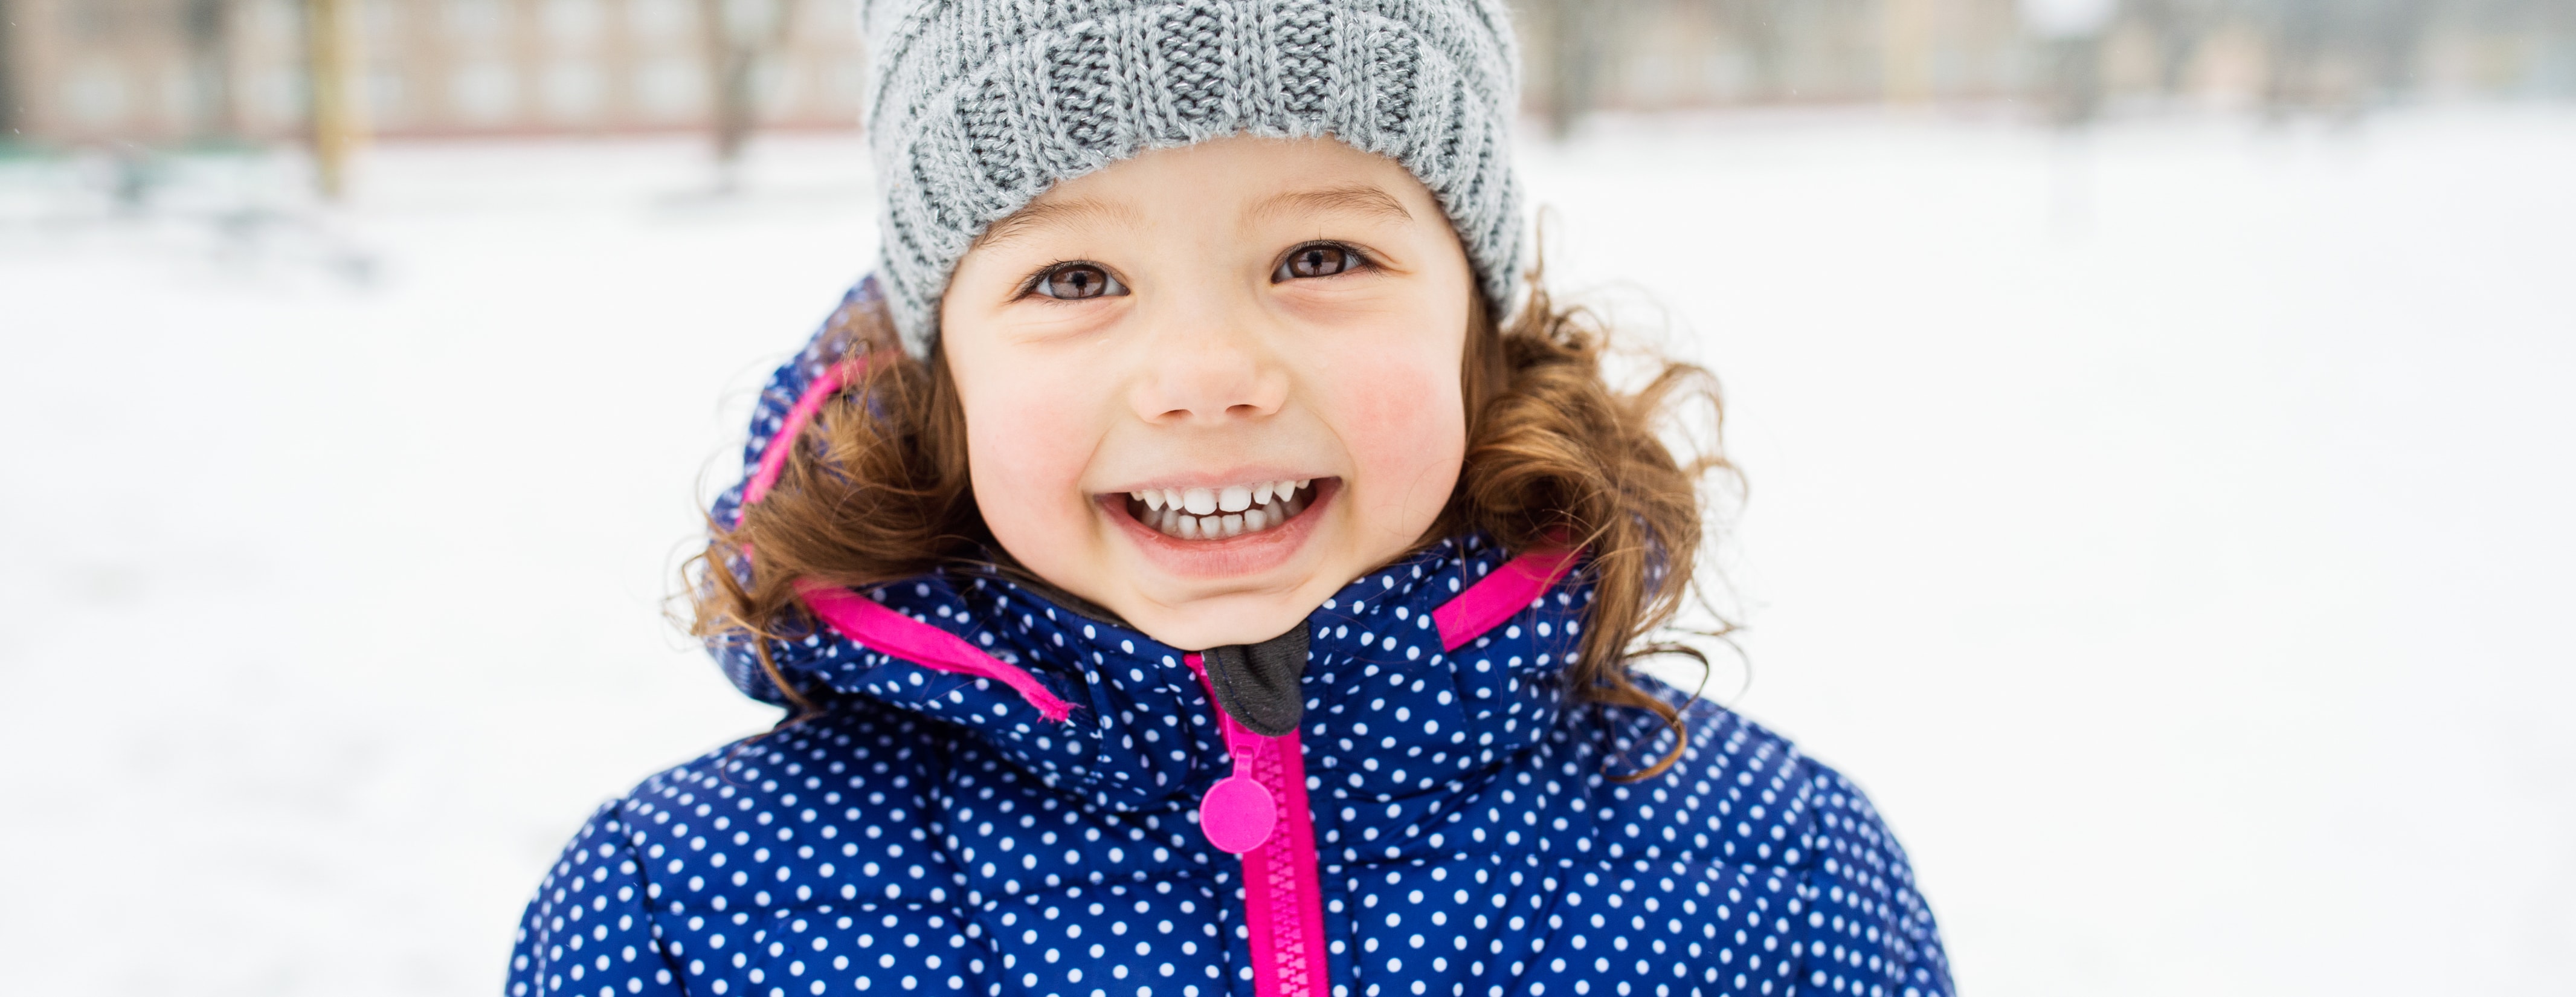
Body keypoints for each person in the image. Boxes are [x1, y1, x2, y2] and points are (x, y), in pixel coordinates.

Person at [505, 2, 1953, 995]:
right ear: (939, 367)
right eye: (1073, 280)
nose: (1206, 376)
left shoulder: (1771, 873)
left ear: (1477, 323)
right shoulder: (689, 915)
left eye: (1320, 256)